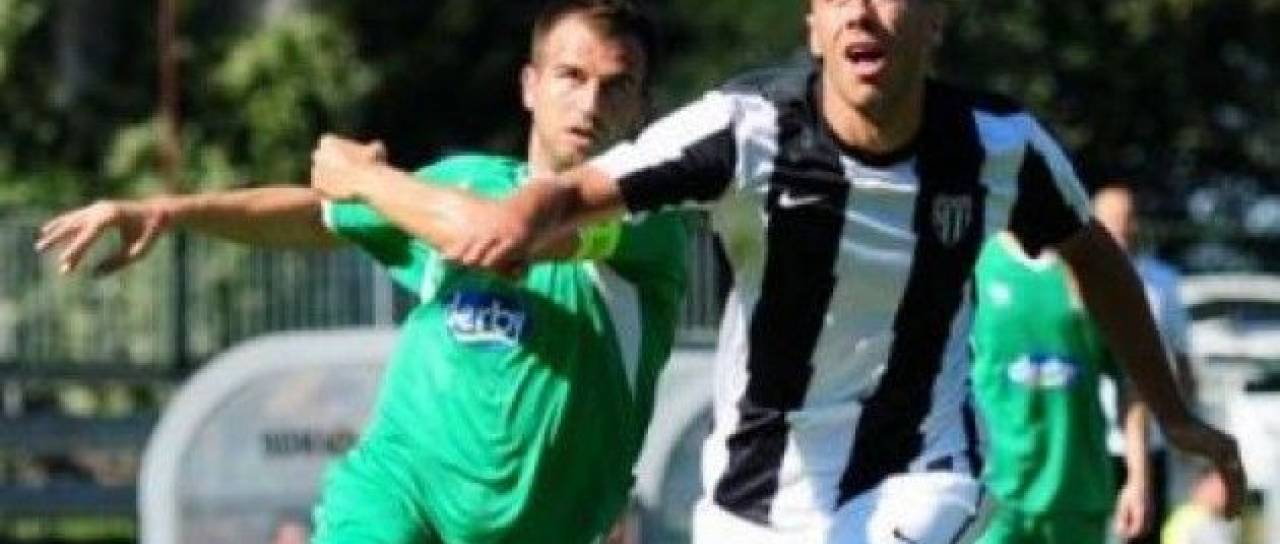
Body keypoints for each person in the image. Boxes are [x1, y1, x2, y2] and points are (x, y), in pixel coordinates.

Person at [311, 0, 1247, 542]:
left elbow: (1095, 255)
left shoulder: (1001, 147)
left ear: (938, 22)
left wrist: (1170, 412)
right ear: (814, 25)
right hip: (753, 498)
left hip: (921, 471)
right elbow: (578, 193)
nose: (863, 10)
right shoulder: (744, 131)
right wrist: (519, 214)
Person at [36, 1, 686, 542]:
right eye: (571, 75)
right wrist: (169, 211)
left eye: (617, 85)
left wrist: (367, 178)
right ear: (529, 86)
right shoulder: (458, 182)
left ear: (642, 108)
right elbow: (319, 218)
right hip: (395, 497)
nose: (590, 102)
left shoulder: (647, 216)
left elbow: (497, 234)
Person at [970, 232, 1152, 543]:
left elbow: (1131, 382)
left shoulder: (1093, 268)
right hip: (993, 496)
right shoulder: (979, 265)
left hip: (1076, 497)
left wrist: (1139, 478)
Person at [1094, 183, 1197, 544]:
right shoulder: (1072, 280)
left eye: (1127, 218)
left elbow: (1182, 359)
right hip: (1091, 441)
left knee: (1144, 533)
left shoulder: (1162, 282)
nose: (1122, 227)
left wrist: (1184, 423)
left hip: (1148, 440)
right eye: (1111, 219)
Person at [1161, 466, 1237, 544]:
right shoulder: (1183, 522)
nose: (1219, 492)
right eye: (1214, 486)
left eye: (1223, 488)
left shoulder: (1224, 522)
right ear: (1199, 487)